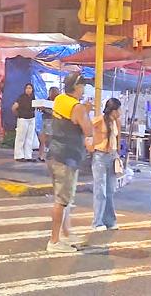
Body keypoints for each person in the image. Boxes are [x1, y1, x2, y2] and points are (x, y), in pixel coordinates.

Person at [46, 73, 93, 253]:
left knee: (65, 199)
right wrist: (87, 110)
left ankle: (66, 234)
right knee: (62, 200)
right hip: (66, 157)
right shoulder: (77, 107)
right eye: (82, 86)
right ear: (76, 87)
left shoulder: (60, 99)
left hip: (55, 153)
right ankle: (54, 241)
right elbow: (88, 130)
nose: (84, 90)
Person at [91, 98, 121, 231]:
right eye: (119, 109)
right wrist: (91, 145)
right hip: (100, 156)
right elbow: (87, 130)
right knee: (100, 190)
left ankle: (109, 221)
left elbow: (117, 138)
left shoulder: (116, 122)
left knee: (110, 190)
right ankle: (97, 222)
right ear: (113, 110)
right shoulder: (99, 120)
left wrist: (118, 155)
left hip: (112, 156)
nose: (120, 112)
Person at [12, 83, 36, 162]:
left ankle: (28, 156)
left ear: (32, 89)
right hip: (23, 119)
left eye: (30, 88)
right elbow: (14, 107)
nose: (28, 90)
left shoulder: (33, 98)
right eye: (27, 88)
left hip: (31, 119)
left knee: (29, 138)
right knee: (21, 138)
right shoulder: (21, 97)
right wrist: (18, 115)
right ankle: (19, 156)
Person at [37, 87, 60, 162]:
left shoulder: (58, 102)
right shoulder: (46, 101)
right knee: (43, 139)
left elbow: (55, 112)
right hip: (46, 121)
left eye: (53, 92)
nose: (51, 94)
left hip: (54, 122)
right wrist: (40, 108)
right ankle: (41, 155)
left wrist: (45, 109)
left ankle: (52, 156)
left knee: (51, 139)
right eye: (51, 92)